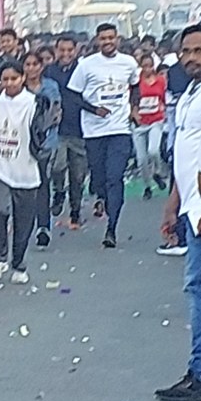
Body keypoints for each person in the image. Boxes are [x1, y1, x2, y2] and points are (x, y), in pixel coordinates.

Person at [157, 22, 201, 401]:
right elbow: (186, 153)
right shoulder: (191, 92)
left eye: (199, 51)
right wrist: (174, 202)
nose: (191, 58)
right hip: (190, 205)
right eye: (186, 51)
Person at [0, 59, 50, 284]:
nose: (9, 83)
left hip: (26, 169)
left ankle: (19, 264)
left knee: (23, 221)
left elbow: (42, 129)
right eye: (5, 79)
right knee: (0, 210)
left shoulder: (35, 102)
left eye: (14, 79)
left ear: (23, 78)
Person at [68, 23, 141, 249]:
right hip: (94, 131)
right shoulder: (86, 65)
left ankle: (112, 228)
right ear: (97, 41)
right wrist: (93, 110)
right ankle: (103, 197)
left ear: (117, 39)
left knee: (115, 177)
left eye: (111, 38)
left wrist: (134, 108)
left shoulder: (128, 63)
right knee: (99, 178)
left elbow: (135, 86)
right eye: (103, 38)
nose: (107, 42)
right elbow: (73, 95)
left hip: (119, 129)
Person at [46, 34, 91, 229]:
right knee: (57, 166)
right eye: (62, 50)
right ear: (56, 50)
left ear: (76, 50)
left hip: (80, 128)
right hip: (57, 129)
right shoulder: (49, 71)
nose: (65, 54)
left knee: (78, 175)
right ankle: (58, 191)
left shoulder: (83, 70)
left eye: (69, 50)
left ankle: (75, 211)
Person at [23, 51, 63, 251]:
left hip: (45, 141)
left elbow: (55, 112)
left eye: (35, 64)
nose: (31, 68)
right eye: (27, 64)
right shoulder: (18, 87)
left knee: (42, 182)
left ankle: (43, 226)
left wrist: (44, 129)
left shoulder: (50, 87)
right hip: (20, 143)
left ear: (41, 66)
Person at [133, 48, 171, 202]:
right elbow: (131, 99)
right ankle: (147, 186)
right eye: (145, 66)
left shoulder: (160, 81)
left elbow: (164, 98)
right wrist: (133, 113)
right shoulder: (136, 82)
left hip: (156, 120)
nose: (148, 69)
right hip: (140, 123)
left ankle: (157, 171)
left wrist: (164, 110)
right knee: (141, 159)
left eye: (150, 66)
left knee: (153, 150)